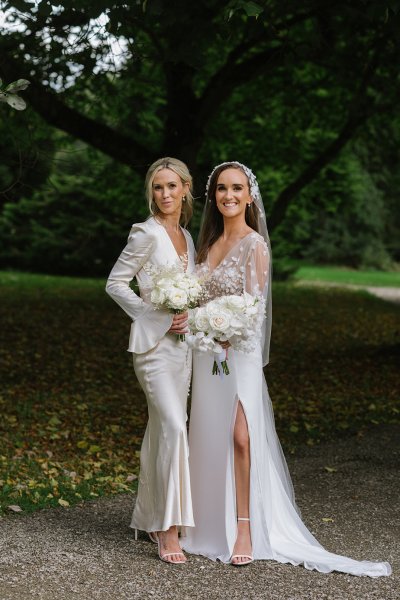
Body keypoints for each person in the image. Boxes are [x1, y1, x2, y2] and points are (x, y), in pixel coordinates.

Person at [182, 161, 391, 576]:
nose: (228, 196)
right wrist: (203, 328)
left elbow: (254, 310)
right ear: (213, 196)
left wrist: (227, 333)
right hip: (208, 355)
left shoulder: (254, 244)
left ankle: (244, 527)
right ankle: (205, 525)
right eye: (221, 189)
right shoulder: (206, 245)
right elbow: (195, 302)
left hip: (236, 355)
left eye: (236, 188)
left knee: (241, 438)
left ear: (249, 195)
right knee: (209, 437)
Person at [106, 157, 196, 564]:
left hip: (183, 351)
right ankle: (166, 529)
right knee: (175, 428)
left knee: (163, 430)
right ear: (151, 191)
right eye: (158, 187)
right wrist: (153, 313)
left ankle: (148, 515)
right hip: (153, 351)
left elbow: (190, 293)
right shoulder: (146, 233)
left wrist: (187, 314)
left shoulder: (188, 238)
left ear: (185, 188)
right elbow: (115, 283)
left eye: (172, 186)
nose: (165, 194)